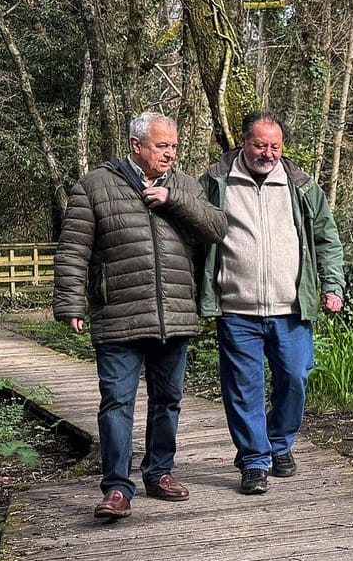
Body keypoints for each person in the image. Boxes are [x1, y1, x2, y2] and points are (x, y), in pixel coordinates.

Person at [53, 112, 228, 521]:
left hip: (175, 314)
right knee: (117, 401)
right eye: (161, 145)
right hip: (118, 313)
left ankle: (159, 472)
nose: (170, 153)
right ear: (136, 146)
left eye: (173, 145)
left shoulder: (184, 186)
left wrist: (176, 201)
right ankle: (116, 488)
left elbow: (217, 228)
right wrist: (69, 303)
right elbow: (73, 249)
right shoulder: (95, 186)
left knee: (168, 400)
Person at [199, 111, 346, 496]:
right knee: (243, 388)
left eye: (275, 146)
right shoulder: (216, 182)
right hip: (236, 307)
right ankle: (254, 461)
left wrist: (332, 286)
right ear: (243, 142)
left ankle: (279, 444)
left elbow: (326, 239)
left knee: (295, 379)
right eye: (260, 145)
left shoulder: (299, 185)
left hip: (291, 308)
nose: (268, 153)